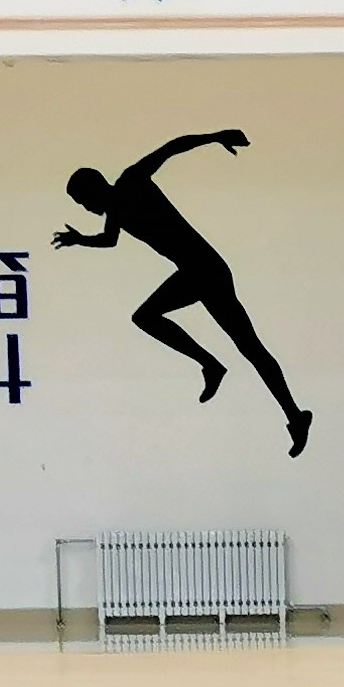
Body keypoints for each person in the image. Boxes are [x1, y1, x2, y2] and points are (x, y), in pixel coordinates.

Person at [54, 129, 313, 457]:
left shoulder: (132, 181)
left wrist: (216, 136)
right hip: (195, 272)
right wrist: (80, 240)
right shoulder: (116, 211)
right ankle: (270, 401)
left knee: (246, 346)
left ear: (94, 188)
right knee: (152, 319)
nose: (85, 207)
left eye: (83, 200)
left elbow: (171, 148)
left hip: (205, 269)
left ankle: (278, 406)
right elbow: (110, 240)